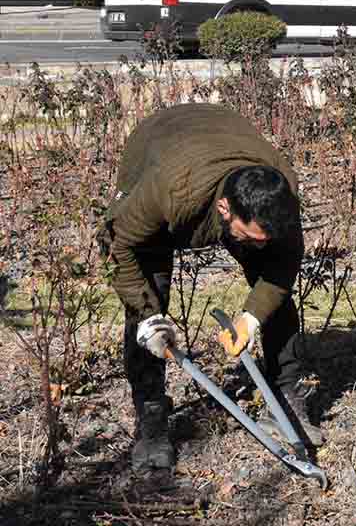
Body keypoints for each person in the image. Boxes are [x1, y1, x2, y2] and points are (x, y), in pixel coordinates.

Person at [98, 103, 322, 472]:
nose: (259, 247)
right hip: (160, 145)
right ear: (224, 209)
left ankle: (285, 395)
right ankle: (151, 416)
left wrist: (252, 318)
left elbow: (281, 267)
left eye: (264, 239)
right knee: (149, 296)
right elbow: (118, 242)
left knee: (275, 300)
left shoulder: (282, 195)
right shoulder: (168, 189)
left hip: (222, 135)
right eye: (251, 238)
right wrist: (148, 316)